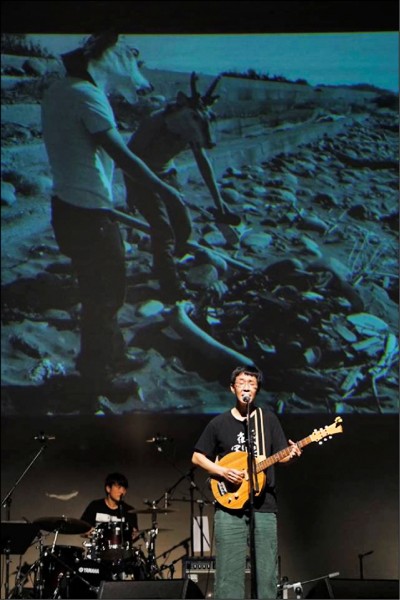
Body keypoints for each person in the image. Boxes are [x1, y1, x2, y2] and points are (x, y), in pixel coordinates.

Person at [41, 32, 187, 385]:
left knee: (97, 292)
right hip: (91, 215)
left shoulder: (57, 91)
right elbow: (123, 155)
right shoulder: (88, 96)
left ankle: (112, 356)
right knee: (107, 294)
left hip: (66, 206)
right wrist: (170, 195)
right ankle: (99, 373)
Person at [124, 72, 238, 303]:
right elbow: (129, 160)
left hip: (167, 175)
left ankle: (163, 265)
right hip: (143, 178)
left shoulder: (191, 127)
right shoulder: (154, 123)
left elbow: (203, 161)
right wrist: (131, 194)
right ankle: (171, 289)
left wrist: (219, 200)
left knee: (183, 229)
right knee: (162, 229)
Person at [192, 366, 302, 599]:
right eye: (242, 382)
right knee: (228, 574)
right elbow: (197, 457)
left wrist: (290, 455)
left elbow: (281, 457)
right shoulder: (219, 423)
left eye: (252, 384)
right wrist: (222, 471)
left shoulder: (268, 420)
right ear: (233, 388)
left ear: (257, 390)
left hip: (264, 503)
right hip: (229, 506)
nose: (247, 387)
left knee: (266, 573)